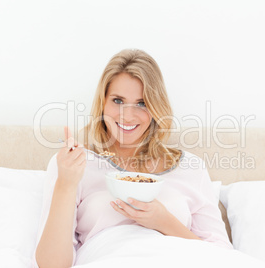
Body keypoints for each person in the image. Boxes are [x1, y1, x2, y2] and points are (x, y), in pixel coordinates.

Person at [33, 49, 233, 268]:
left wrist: (164, 222)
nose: (127, 116)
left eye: (142, 103)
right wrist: (66, 184)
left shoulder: (191, 168)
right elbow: (51, 265)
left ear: (157, 108)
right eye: (118, 100)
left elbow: (223, 258)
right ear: (102, 104)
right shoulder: (74, 164)